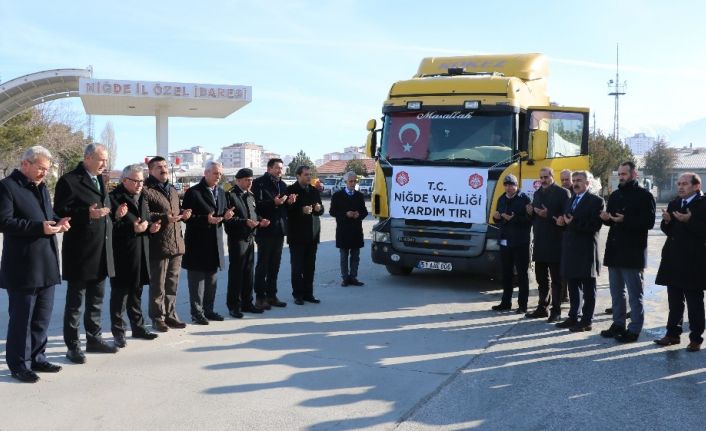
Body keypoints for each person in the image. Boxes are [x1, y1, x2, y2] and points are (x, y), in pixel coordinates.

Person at [0, 146, 71, 383]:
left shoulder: (41, 189)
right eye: (41, 168)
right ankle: (19, 364)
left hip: (47, 262)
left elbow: (45, 216)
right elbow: (5, 222)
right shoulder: (7, 187)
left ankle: (38, 357)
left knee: (42, 317)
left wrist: (58, 223)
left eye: (46, 169)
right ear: (26, 164)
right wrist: (38, 227)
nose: (44, 173)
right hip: (22, 266)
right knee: (22, 319)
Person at [54, 143, 119, 363]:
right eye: (101, 159)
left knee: (96, 300)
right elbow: (60, 211)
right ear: (88, 158)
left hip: (101, 250)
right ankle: (73, 346)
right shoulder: (69, 180)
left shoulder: (100, 179)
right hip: (80, 252)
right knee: (75, 303)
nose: (104, 164)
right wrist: (86, 214)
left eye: (106, 160)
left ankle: (94, 339)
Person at [599, 161, 655, 342]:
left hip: (633, 252)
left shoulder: (645, 196)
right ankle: (618, 324)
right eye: (620, 174)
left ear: (634, 174)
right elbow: (612, 219)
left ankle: (634, 328)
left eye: (624, 174)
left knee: (634, 293)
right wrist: (606, 219)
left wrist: (626, 219)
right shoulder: (615, 195)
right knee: (616, 292)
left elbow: (649, 223)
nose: (621, 177)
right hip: (615, 250)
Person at [108, 165, 161, 348]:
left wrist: (151, 229)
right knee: (120, 296)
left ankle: (138, 328)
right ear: (124, 180)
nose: (139, 184)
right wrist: (131, 227)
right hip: (122, 254)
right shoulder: (113, 198)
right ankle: (118, 332)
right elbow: (108, 228)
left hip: (141, 252)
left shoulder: (142, 197)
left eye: (141, 181)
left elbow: (145, 221)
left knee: (136, 293)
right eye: (135, 181)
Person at [654, 173, 706, 352]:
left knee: (694, 302)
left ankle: (696, 338)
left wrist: (689, 220)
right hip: (673, 259)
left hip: (694, 261)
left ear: (696, 186)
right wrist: (667, 222)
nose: (680, 187)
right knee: (674, 300)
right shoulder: (675, 203)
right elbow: (669, 230)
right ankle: (672, 334)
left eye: (684, 184)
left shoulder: (703, 204)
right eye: (679, 184)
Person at [143, 156, 191, 332]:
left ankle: (170, 315)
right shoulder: (146, 190)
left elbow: (176, 209)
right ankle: (157, 317)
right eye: (158, 167)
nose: (163, 169)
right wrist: (164, 218)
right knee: (158, 284)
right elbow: (145, 214)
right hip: (158, 244)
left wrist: (184, 213)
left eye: (164, 166)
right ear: (150, 170)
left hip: (176, 243)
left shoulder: (171, 189)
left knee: (172, 283)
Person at [182, 161, 233, 324]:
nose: (218, 177)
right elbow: (187, 218)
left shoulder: (221, 192)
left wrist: (226, 215)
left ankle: (208, 310)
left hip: (215, 242)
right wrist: (206, 219)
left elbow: (221, 211)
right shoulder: (193, 192)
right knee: (197, 281)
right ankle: (196, 313)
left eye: (220, 174)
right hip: (197, 243)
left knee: (212, 281)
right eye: (215, 173)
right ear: (206, 173)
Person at [554, 171, 604, 332]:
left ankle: (587, 320)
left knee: (589, 289)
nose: (575, 183)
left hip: (586, 251)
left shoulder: (596, 201)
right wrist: (561, 223)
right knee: (573, 287)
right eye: (574, 180)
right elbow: (567, 222)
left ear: (588, 183)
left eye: (579, 180)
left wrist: (573, 222)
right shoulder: (570, 200)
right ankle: (573, 316)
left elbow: (594, 226)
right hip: (570, 250)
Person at [525, 168, 570, 322]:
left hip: (555, 243)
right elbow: (534, 219)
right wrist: (530, 212)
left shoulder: (563, 193)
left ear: (552, 177)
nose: (543, 180)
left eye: (546, 177)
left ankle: (556, 310)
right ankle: (542, 307)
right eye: (541, 177)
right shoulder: (537, 194)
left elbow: (566, 217)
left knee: (556, 280)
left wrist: (549, 215)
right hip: (539, 242)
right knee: (541, 279)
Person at [224, 168, 271, 318]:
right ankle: (234, 305)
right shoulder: (231, 195)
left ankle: (247, 303)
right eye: (246, 180)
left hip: (250, 237)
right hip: (237, 238)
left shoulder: (250, 195)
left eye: (251, 180)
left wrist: (261, 219)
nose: (249, 182)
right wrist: (245, 222)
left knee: (249, 273)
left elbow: (254, 213)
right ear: (238, 180)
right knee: (237, 274)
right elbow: (228, 220)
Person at [252, 158, 296, 309]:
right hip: (265, 229)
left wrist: (289, 202)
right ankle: (259, 297)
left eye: (281, 168)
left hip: (279, 230)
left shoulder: (283, 185)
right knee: (262, 265)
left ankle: (272, 295)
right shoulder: (259, 183)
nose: (280, 171)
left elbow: (285, 209)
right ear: (269, 168)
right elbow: (255, 206)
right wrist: (273, 203)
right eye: (277, 168)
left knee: (274, 266)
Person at [491, 174, 532, 313]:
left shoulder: (524, 198)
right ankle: (505, 302)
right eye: (506, 184)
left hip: (520, 241)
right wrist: (496, 218)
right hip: (505, 240)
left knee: (522, 274)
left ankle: (522, 305)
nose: (509, 187)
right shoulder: (501, 198)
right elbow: (498, 218)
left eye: (511, 184)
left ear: (516, 185)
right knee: (506, 273)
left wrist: (513, 219)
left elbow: (529, 221)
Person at [287, 165, 324, 305]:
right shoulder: (291, 190)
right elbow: (287, 210)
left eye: (310, 174)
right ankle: (298, 295)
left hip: (312, 234)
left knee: (310, 266)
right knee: (297, 267)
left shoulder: (314, 190)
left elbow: (319, 209)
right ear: (298, 176)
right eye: (306, 174)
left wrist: (319, 208)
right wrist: (301, 210)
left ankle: (309, 293)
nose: (309, 177)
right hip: (297, 235)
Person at [330, 171, 369, 286]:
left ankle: (353, 277)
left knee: (355, 256)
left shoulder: (359, 196)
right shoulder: (337, 196)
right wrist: (345, 214)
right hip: (343, 230)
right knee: (344, 256)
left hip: (356, 230)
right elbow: (332, 211)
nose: (353, 183)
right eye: (350, 181)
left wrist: (359, 214)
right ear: (345, 182)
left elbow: (365, 212)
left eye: (354, 181)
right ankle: (345, 278)